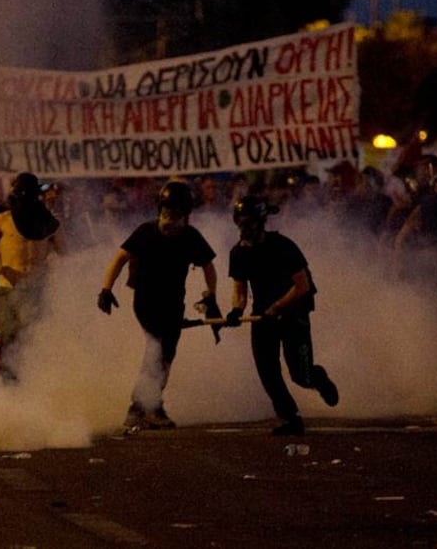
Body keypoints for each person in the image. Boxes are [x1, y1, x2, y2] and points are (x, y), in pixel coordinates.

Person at [98, 179, 221, 430]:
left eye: (177, 214)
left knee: (166, 356)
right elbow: (120, 257)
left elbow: (208, 265)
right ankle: (149, 407)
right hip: (146, 301)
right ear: (159, 210)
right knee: (155, 350)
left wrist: (211, 295)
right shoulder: (146, 232)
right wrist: (106, 289)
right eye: (167, 213)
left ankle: (139, 409)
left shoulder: (191, 237)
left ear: (187, 214)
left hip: (174, 304)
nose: (171, 220)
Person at [225, 195, 339, 436]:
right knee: (267, 371)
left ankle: (318, 379)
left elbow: (302, 286)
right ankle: (290, 417)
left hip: (293, 313)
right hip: (263, 316)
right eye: (241, 223)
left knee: (301, 374)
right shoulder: (238, 254)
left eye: (250, 223)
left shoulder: (283, 247)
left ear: (261, 222)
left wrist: (277, 307)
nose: (245, 229)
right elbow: (240, 291)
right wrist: (236, 311)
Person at [0, 172, 60, 374]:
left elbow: (65, 251)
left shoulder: (48, 222)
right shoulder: (3, 220)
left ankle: (29, 390)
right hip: (8, 290)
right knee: (7, 342)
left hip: (35, 291)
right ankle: (4, 392)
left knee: (32, 343)